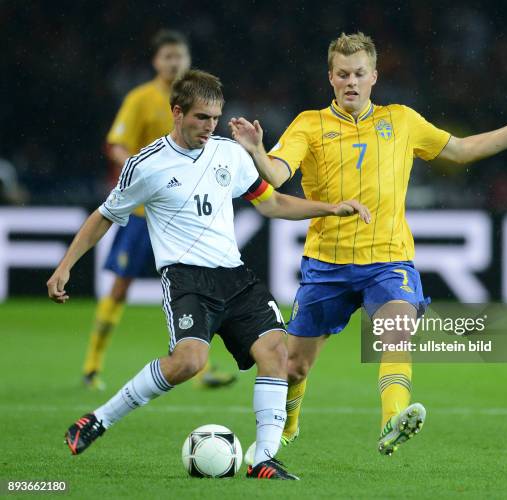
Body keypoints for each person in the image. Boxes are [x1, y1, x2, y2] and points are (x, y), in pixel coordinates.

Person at [229, 32, 507, 456]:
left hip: (389, 261)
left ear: (374, 77)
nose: (351, 81)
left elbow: (459, 151)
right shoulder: (308, 125)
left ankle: (393, 420)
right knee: (294, 367)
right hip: (326, 264)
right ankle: (288, 427)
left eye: (359, 74)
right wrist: (257, 151)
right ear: (330, 77)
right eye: (343, 74)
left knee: (396, 335)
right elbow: (275, 177)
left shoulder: (401, 120)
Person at [47, 69, 370, 480]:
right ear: (177, 113)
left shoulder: (229, 154)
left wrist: (329, 207)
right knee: (189, 362)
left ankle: (264, 458)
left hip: (233, 275)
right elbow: (104, 216)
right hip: (186, 279)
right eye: (202, 117)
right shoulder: (146, 165)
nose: (210, 127)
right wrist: (65, 266)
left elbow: (271, 205)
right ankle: (97, 420)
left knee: (277, 352)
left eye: (216, 118)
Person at [82, 30, 235, 390]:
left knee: (199, 288)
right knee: (120, 288)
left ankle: (202, 367)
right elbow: (117, 145)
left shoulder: (198, 101)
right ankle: (92, 365)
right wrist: (144, 172)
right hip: (142, 215)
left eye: (179, 57)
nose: (174, 63)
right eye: (167, 57)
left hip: (182, 216)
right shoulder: (141, 99)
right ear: (156, 61)